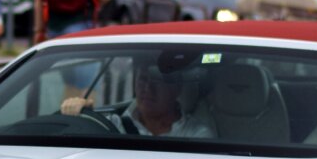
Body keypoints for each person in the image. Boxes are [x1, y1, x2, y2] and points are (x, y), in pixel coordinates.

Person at [60, 59, 212, 137]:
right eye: (142, 80)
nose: (147, 89)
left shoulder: (196, 134)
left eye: (157, 81)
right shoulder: (110, 124)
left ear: (176, 89)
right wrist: (79, 115)